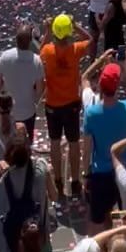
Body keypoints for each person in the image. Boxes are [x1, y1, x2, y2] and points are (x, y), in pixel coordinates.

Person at [38, 14, 91, 201]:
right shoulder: (75, 49)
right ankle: (75, 180)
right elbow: (91, 40)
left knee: (54, 142)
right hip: (71, 104)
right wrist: (76, 25)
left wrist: (46, 31)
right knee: (74, 142)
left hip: (52, 104)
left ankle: (58, 180)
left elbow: (38, 52)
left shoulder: (47, 51)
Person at [81, 63, 126, 227]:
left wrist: (86, 174)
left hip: (101, 173)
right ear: (117, 85)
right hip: (124, 169)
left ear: (100, 86)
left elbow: (87, 149)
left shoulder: (91, 114)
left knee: (102, 217)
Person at [0, 26, 45, 137]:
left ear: (16, 40)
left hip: (7, 111)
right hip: (28, 111)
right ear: (30, 41)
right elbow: (40, 90)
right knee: (26, 145)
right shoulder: (36, 60)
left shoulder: (5, 56)